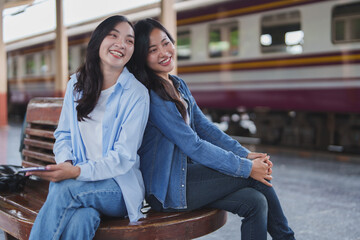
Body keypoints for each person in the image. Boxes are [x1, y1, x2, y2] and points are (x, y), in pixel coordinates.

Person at [128, 18, 295, 240]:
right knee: (257, 178)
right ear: (142, 57)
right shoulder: (152, 95)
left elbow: (206, 129)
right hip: (167, 189)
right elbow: (193, 144)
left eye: (166, 42)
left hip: (187, 178)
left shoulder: (177, 84)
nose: (164, 52)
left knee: (255, 202)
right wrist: (246, 167)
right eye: (152, 49)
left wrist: (244, 154)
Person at [27, 15, 149, 240]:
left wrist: (76, 173)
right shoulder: (77, 84)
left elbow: (123, 157)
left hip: (118, 188)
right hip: (80, 182)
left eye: (129, 41)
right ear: (98, 40)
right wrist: (66, 163)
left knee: (64, 188)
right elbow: (63, 134)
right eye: (113, 35)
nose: (121, 44)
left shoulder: (136, 94)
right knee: (83, 219)